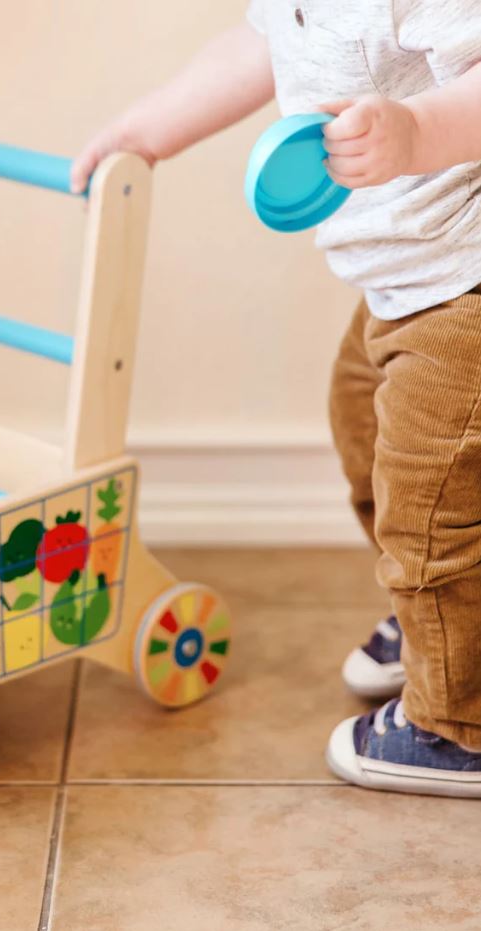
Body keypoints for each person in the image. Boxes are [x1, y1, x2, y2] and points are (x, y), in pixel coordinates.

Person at [72, 2, 481, 797]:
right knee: (362, 425)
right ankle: (450, 629)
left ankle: (457, 724)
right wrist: (146, 129)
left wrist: (415, 131)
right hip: (401, 282)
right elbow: (256, 47)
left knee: (428, 508)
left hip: (463, 282)